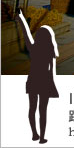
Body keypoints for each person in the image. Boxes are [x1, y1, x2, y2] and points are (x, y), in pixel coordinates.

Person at [16, 10, 59, 144]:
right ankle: (42, 137)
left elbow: (26, 33)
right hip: (45, 82)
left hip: (33, 81)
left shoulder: (33, 48)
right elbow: (52, 71)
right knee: (43, 111)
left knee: (32, 108)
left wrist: (21, 18)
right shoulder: (50, 51)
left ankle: (34, 133)